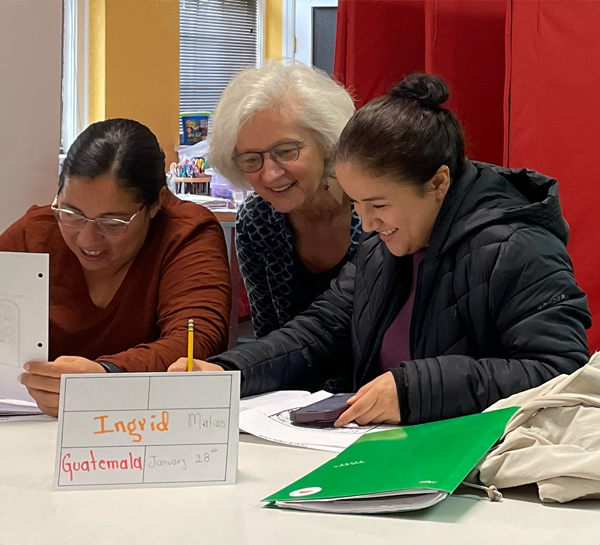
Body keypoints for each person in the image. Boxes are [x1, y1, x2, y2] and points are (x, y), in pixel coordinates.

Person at [171, 74, 591, 427]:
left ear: (438, 183)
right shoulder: (384, 246)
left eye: (378, 205)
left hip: (477, 469)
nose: (367, 224)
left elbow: (561, 371)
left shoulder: (518, 247)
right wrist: (229, 372)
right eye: (356, 203)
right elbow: (320, 329)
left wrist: (415, 388)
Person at [0, 119, 231, 416]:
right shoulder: (35, 235)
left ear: (156, 204)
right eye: (71, 213)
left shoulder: (185, 234)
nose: (87, 239)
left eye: (112, 222)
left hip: (144, 426)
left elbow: (194, 342)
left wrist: (107, 376)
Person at [209, 59, 362, 338]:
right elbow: (268, 333)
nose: (270, 174)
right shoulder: (257, 220)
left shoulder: (373, 206)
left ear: (327, 143)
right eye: (251, 159)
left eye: (286, 151)